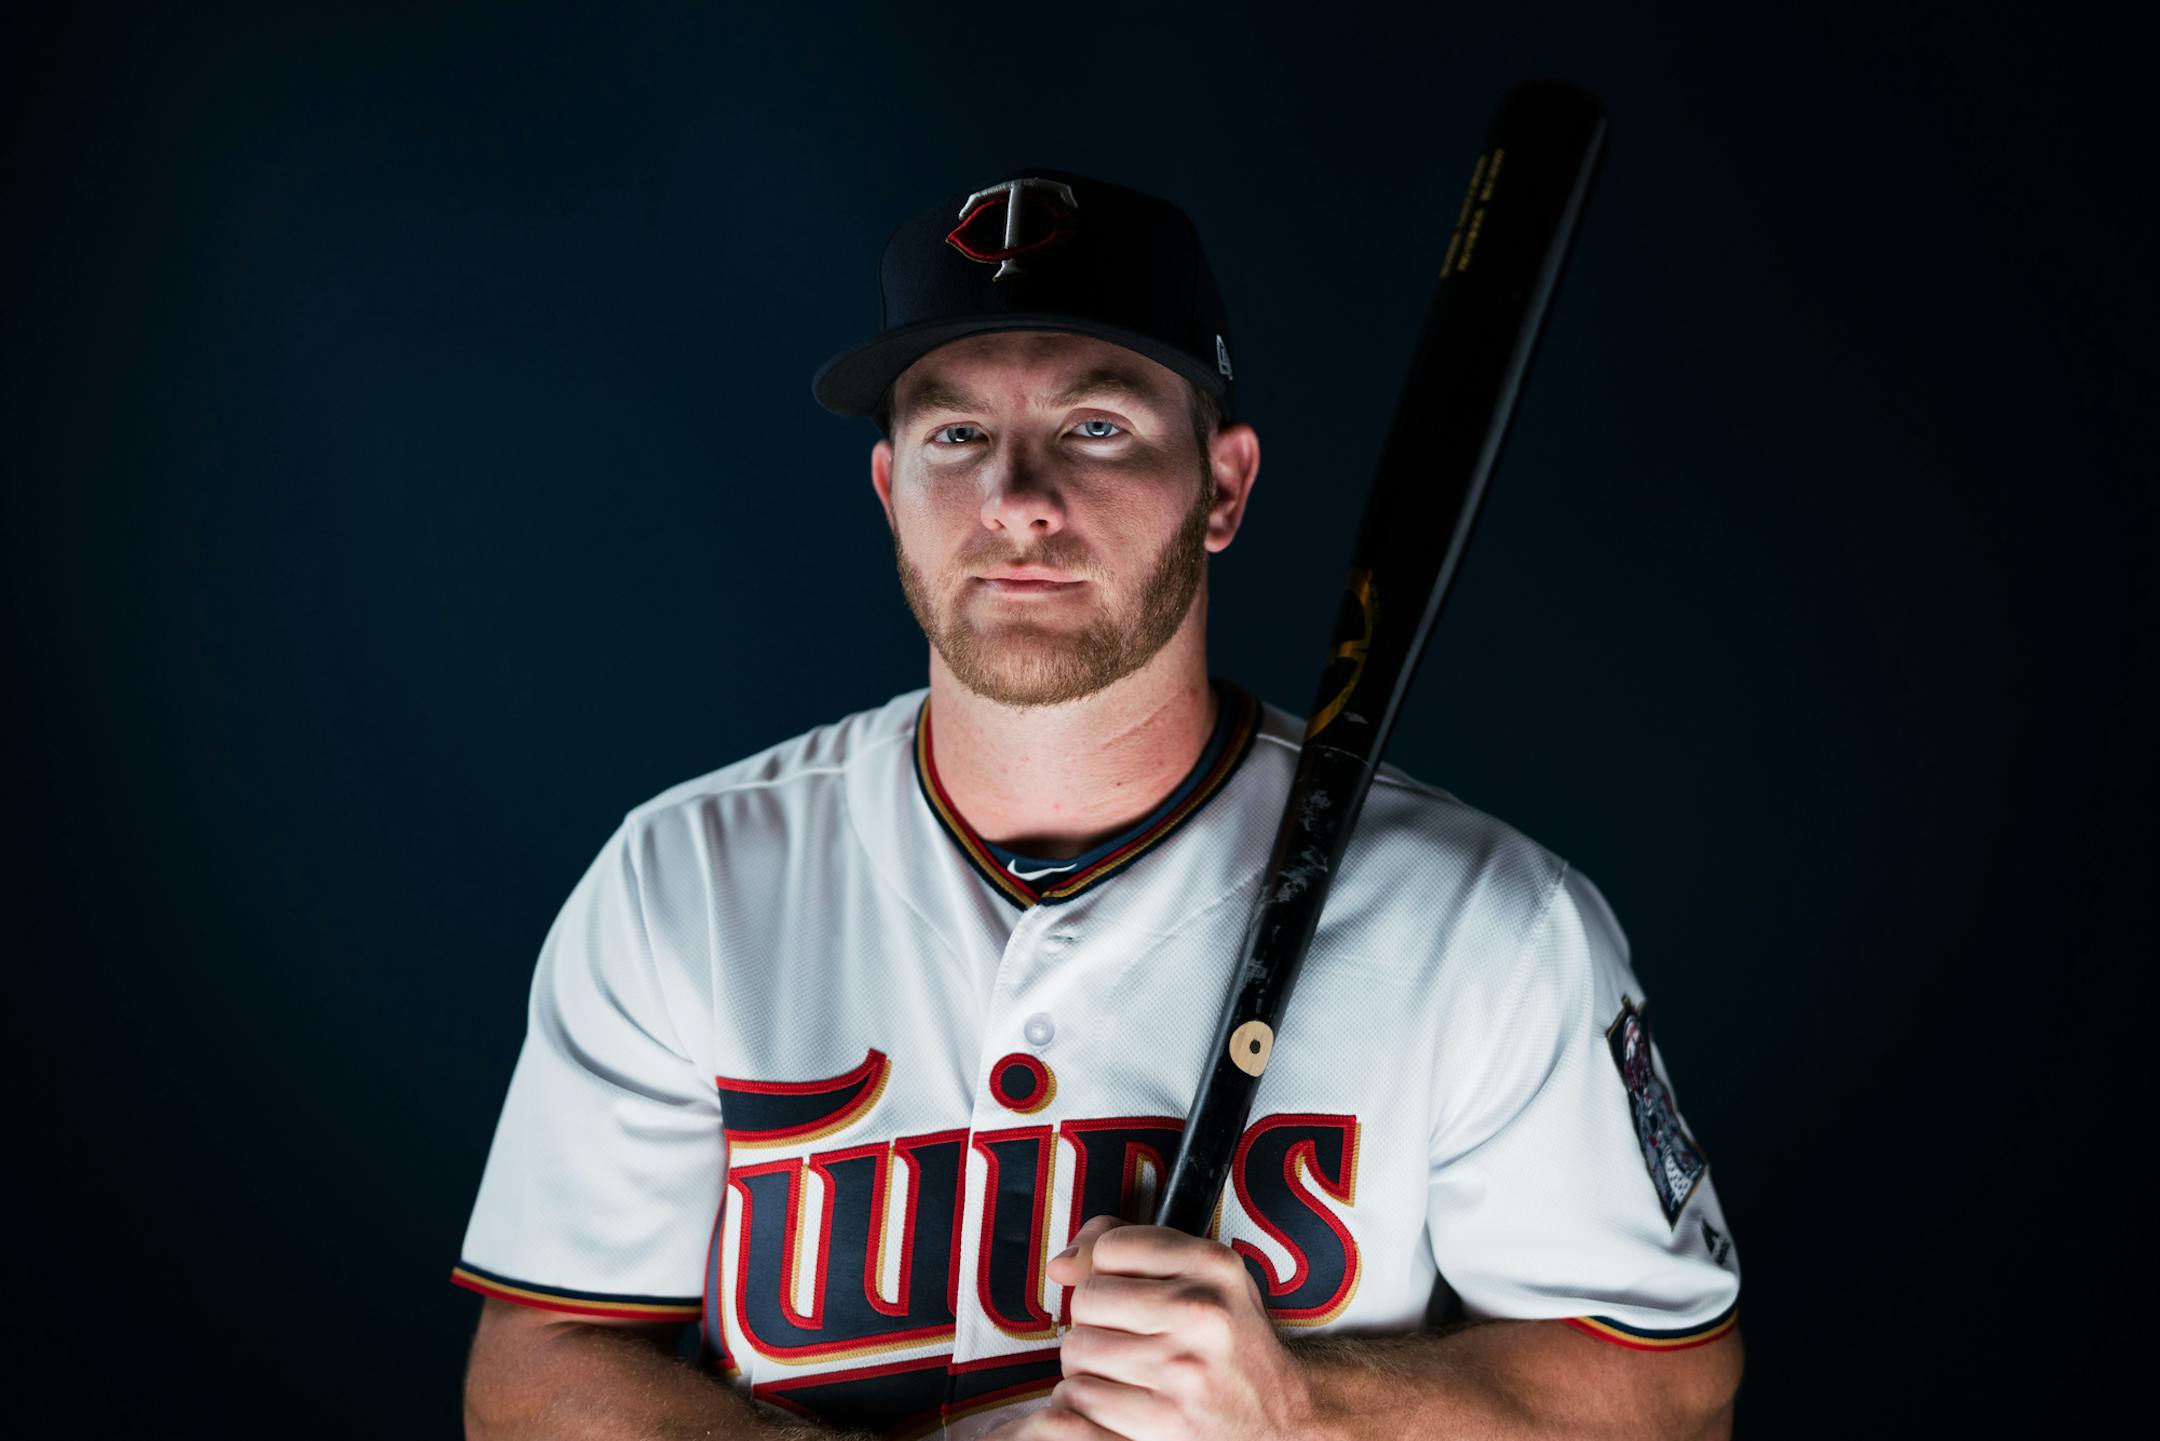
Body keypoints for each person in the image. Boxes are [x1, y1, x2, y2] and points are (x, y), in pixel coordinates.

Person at [452, 168, 1744, 1440]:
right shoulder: (688, 875)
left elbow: (1670, 1392)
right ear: (893, 491)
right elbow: (540, 1371)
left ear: (1223, 487)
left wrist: (1304, 1408)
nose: (1019, 497)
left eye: (1097, 426)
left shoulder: (1484, 919)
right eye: (957, 435)